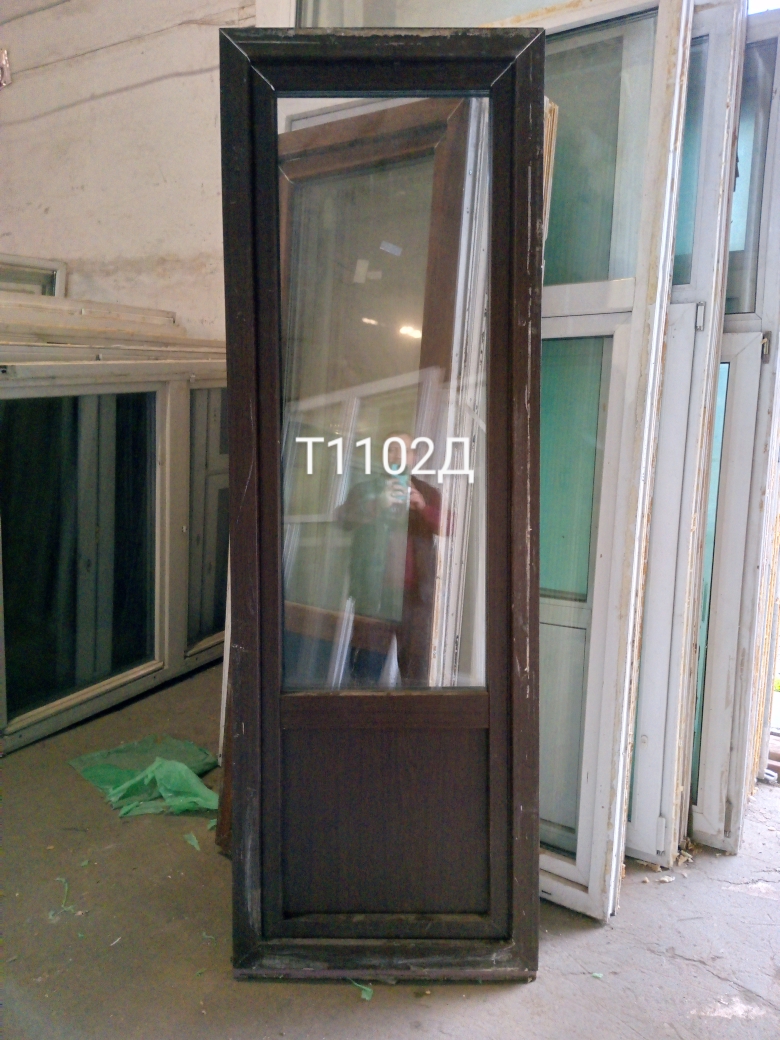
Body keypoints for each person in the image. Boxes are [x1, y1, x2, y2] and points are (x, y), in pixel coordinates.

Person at [336, 434, 440, 685]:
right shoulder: (365, 489)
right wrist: (378, 503)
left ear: (414, 457)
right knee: (364, 674)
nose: (398, 456)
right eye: (392, 449)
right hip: (374, 596)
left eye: (405, 450)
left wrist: (423, 507)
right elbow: (343, 519)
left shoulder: (427, 492)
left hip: (415, 599)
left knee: (415, 675)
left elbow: (450, 525)